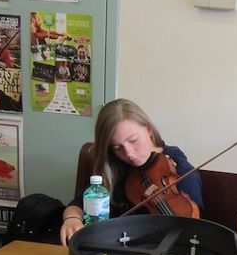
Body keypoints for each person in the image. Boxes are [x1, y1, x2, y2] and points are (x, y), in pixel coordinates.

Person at [60, 98, 203, 246]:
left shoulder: (180, 169)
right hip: (116, 246)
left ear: (149, 130)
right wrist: (72, 219)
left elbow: (195, 229)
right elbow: (79, 204)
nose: (129, 153)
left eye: (133, 140)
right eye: (117, 147)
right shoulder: (115, 167)